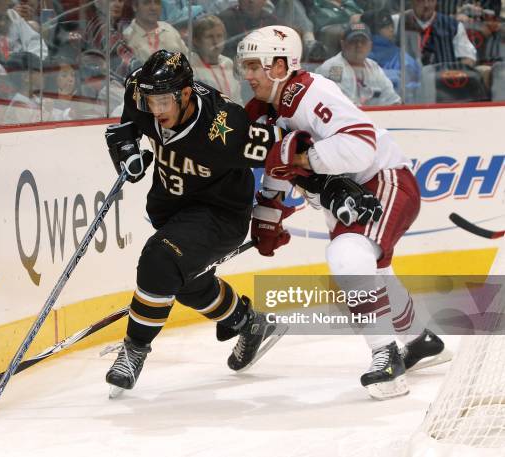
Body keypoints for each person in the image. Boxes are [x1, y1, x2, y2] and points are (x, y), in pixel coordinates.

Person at [237, 25, 450, 399]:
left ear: (283, 64)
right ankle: (420, 341)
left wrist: (303, 157)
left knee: (347, 257)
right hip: (347, 195)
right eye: (246, 66)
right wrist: (267, 218)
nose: (249, 75)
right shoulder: (264, 113)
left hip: (382, 180)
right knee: (374, 272)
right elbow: (278, 166)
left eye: (257, 65)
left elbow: (361, 144)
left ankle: (386, 357)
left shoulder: (311, 92)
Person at [101, 49, 291, 397]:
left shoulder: (227, 127)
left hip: (220, 214)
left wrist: (324, 190)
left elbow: (289, 153)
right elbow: (126, 128)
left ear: (186, 94)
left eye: (163, 102)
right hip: (171, 208)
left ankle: (134, 350)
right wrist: (128, 153)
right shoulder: (138, 91)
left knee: (160, 261)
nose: (155, 112)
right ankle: (247, 322)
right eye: (150, 101)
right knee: (184, 282)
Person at [316, 22, 401, 106]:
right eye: (354, 41)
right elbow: (344, 106)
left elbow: (391, 98)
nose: (359, 45)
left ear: (370, 45)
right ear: (343, 44)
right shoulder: (333, 68)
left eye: (363, 41)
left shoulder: (373, 66)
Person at [362, 9, 421, 100]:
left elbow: (413, 87)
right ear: (373, 30)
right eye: (385, 27)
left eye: (391, 25)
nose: (391, 29)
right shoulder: (360, 52)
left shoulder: (401, 57)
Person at [189, 15, 243, 105]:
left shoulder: (228, 63)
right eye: (209, 36)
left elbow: (238, 100)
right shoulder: (190, 66)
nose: (216, 42)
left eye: (219, 36)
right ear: (196, 40)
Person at [122, 0, 189, 64]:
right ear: (135, 6)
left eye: (157, 2)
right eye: (147, 3)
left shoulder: (169, 29)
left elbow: (188, 58)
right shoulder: (127, 38)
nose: (153, 8)